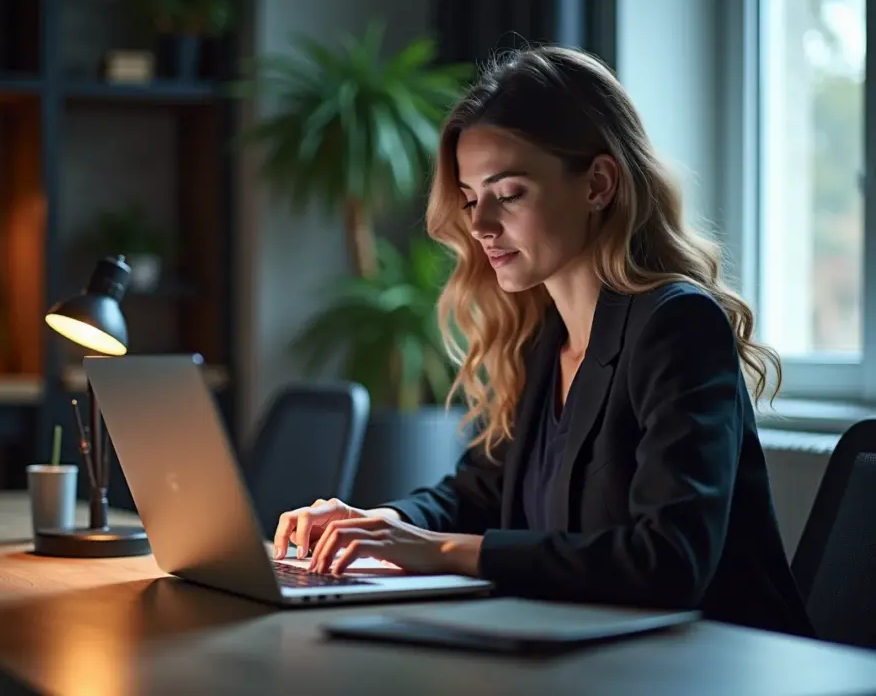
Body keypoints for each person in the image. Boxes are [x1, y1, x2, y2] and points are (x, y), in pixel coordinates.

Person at [272, 45, 815, 637]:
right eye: (472, 198)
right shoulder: (540, 340)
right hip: (592, 658)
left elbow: (670, 562)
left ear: (598, 184)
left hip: (716, 668)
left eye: (508, 194)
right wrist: (377, 523)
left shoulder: (678, 324)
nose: (480, 226)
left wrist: (442, 551)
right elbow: (476, 495)